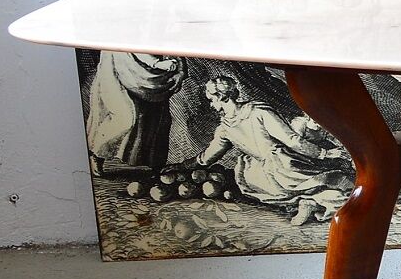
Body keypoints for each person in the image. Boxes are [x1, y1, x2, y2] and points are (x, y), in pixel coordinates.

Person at [194, 76, 353, 226]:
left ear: (222, 97)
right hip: (283, 167)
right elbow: (291, 140)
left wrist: (191, 164)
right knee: (342, 185)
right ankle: (311, 203)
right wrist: (324, 153)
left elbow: (207, 158)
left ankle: (305, 203)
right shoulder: (258, 111)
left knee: (293, 192)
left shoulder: (225, 128)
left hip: (257, 176)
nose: (211, 105)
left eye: (211, 100)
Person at [85, 50, 185, 174]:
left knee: (156, 117)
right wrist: (156, 63)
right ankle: (97, 153)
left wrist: (179, 67)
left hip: (153, 74)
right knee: (126, 118)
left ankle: (155, 164)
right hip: (122, 64)